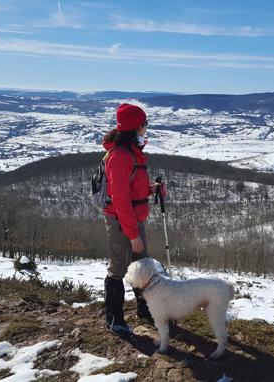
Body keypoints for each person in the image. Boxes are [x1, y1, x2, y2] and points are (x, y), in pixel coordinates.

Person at [101, 103, 159, 336]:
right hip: (121, 221)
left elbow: (132, 188)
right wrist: (133, 233)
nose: (146, 128)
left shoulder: (132, 152)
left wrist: (151, 189)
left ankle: (145, 310)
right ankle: (113, 320)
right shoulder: (120, 156)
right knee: (118, 269)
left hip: (134, 218)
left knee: (141, 264)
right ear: (136, 127)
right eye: (144, 124)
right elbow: (120, 199)